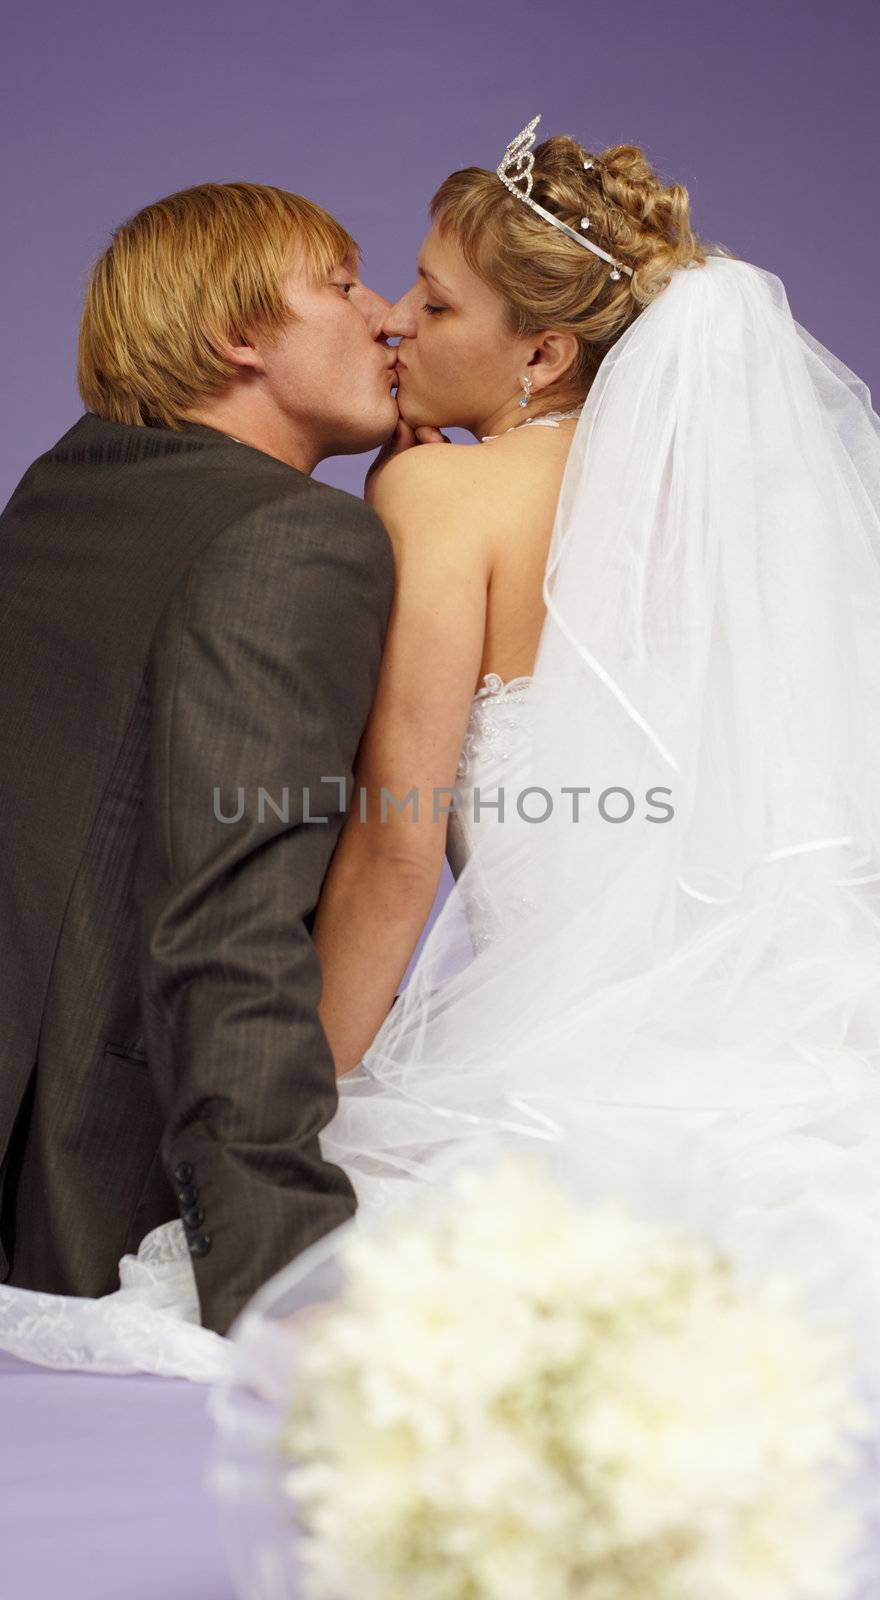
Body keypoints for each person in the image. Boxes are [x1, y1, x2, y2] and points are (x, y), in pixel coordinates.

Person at [312, 112, 880, 1354]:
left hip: (554, 1061)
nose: (398, 318)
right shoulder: (729, 508)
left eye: (439, 304)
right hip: (771, 1033)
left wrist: (293, 1109)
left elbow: (398, 848)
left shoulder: (438, 492)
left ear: (545, 355)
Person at [0, 181, 412, 1378]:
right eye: (341, 284)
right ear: (240, 337)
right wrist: (287, 1282)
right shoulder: (290, 539)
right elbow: (224, 924)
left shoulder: (66, 493)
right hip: (101, 1208)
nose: (385, 314)